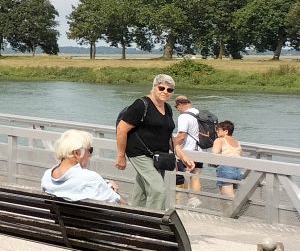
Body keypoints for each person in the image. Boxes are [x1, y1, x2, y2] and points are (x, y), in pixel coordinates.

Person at [114, 74, 192, 211]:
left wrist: (183, 156)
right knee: (158, 189)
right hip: (139, 153)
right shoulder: (141, 104)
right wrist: (121, 156)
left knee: (142, 191)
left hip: (158, 156)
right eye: (161, 88)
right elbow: (121, 129)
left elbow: (169, 137)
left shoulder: (167, 108)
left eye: (169, 90)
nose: (165, 92)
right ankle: (153, 220)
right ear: (154, 87)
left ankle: (134, 218)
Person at [42, 130, 121, 203]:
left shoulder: (47, 176)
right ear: (77, 153)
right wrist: (113, 192)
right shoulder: (91, 178)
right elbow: (121, 205)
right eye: (90, 150)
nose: (90, 155)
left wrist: (104, 184)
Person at [171, 95, 205, 203]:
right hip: (199, 150)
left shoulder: (184, 116)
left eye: (176, 107)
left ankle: (178, 202)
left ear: (180, 104)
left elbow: (182, 136)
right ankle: (195, 201)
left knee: (180, 177)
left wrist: (172, 146)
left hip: (186, 151)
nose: (177, 110)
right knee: (195, 176)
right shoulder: (198, 113)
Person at [212, 121, 244, 200]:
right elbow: (241, 155)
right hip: (237, 171)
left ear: (226, 131)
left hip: (226, 170)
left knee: (227, 200)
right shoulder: (237, 142)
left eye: (218, 130)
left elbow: (214, 156)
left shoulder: (219, 140)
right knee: (235, 199)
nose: (216, 131)